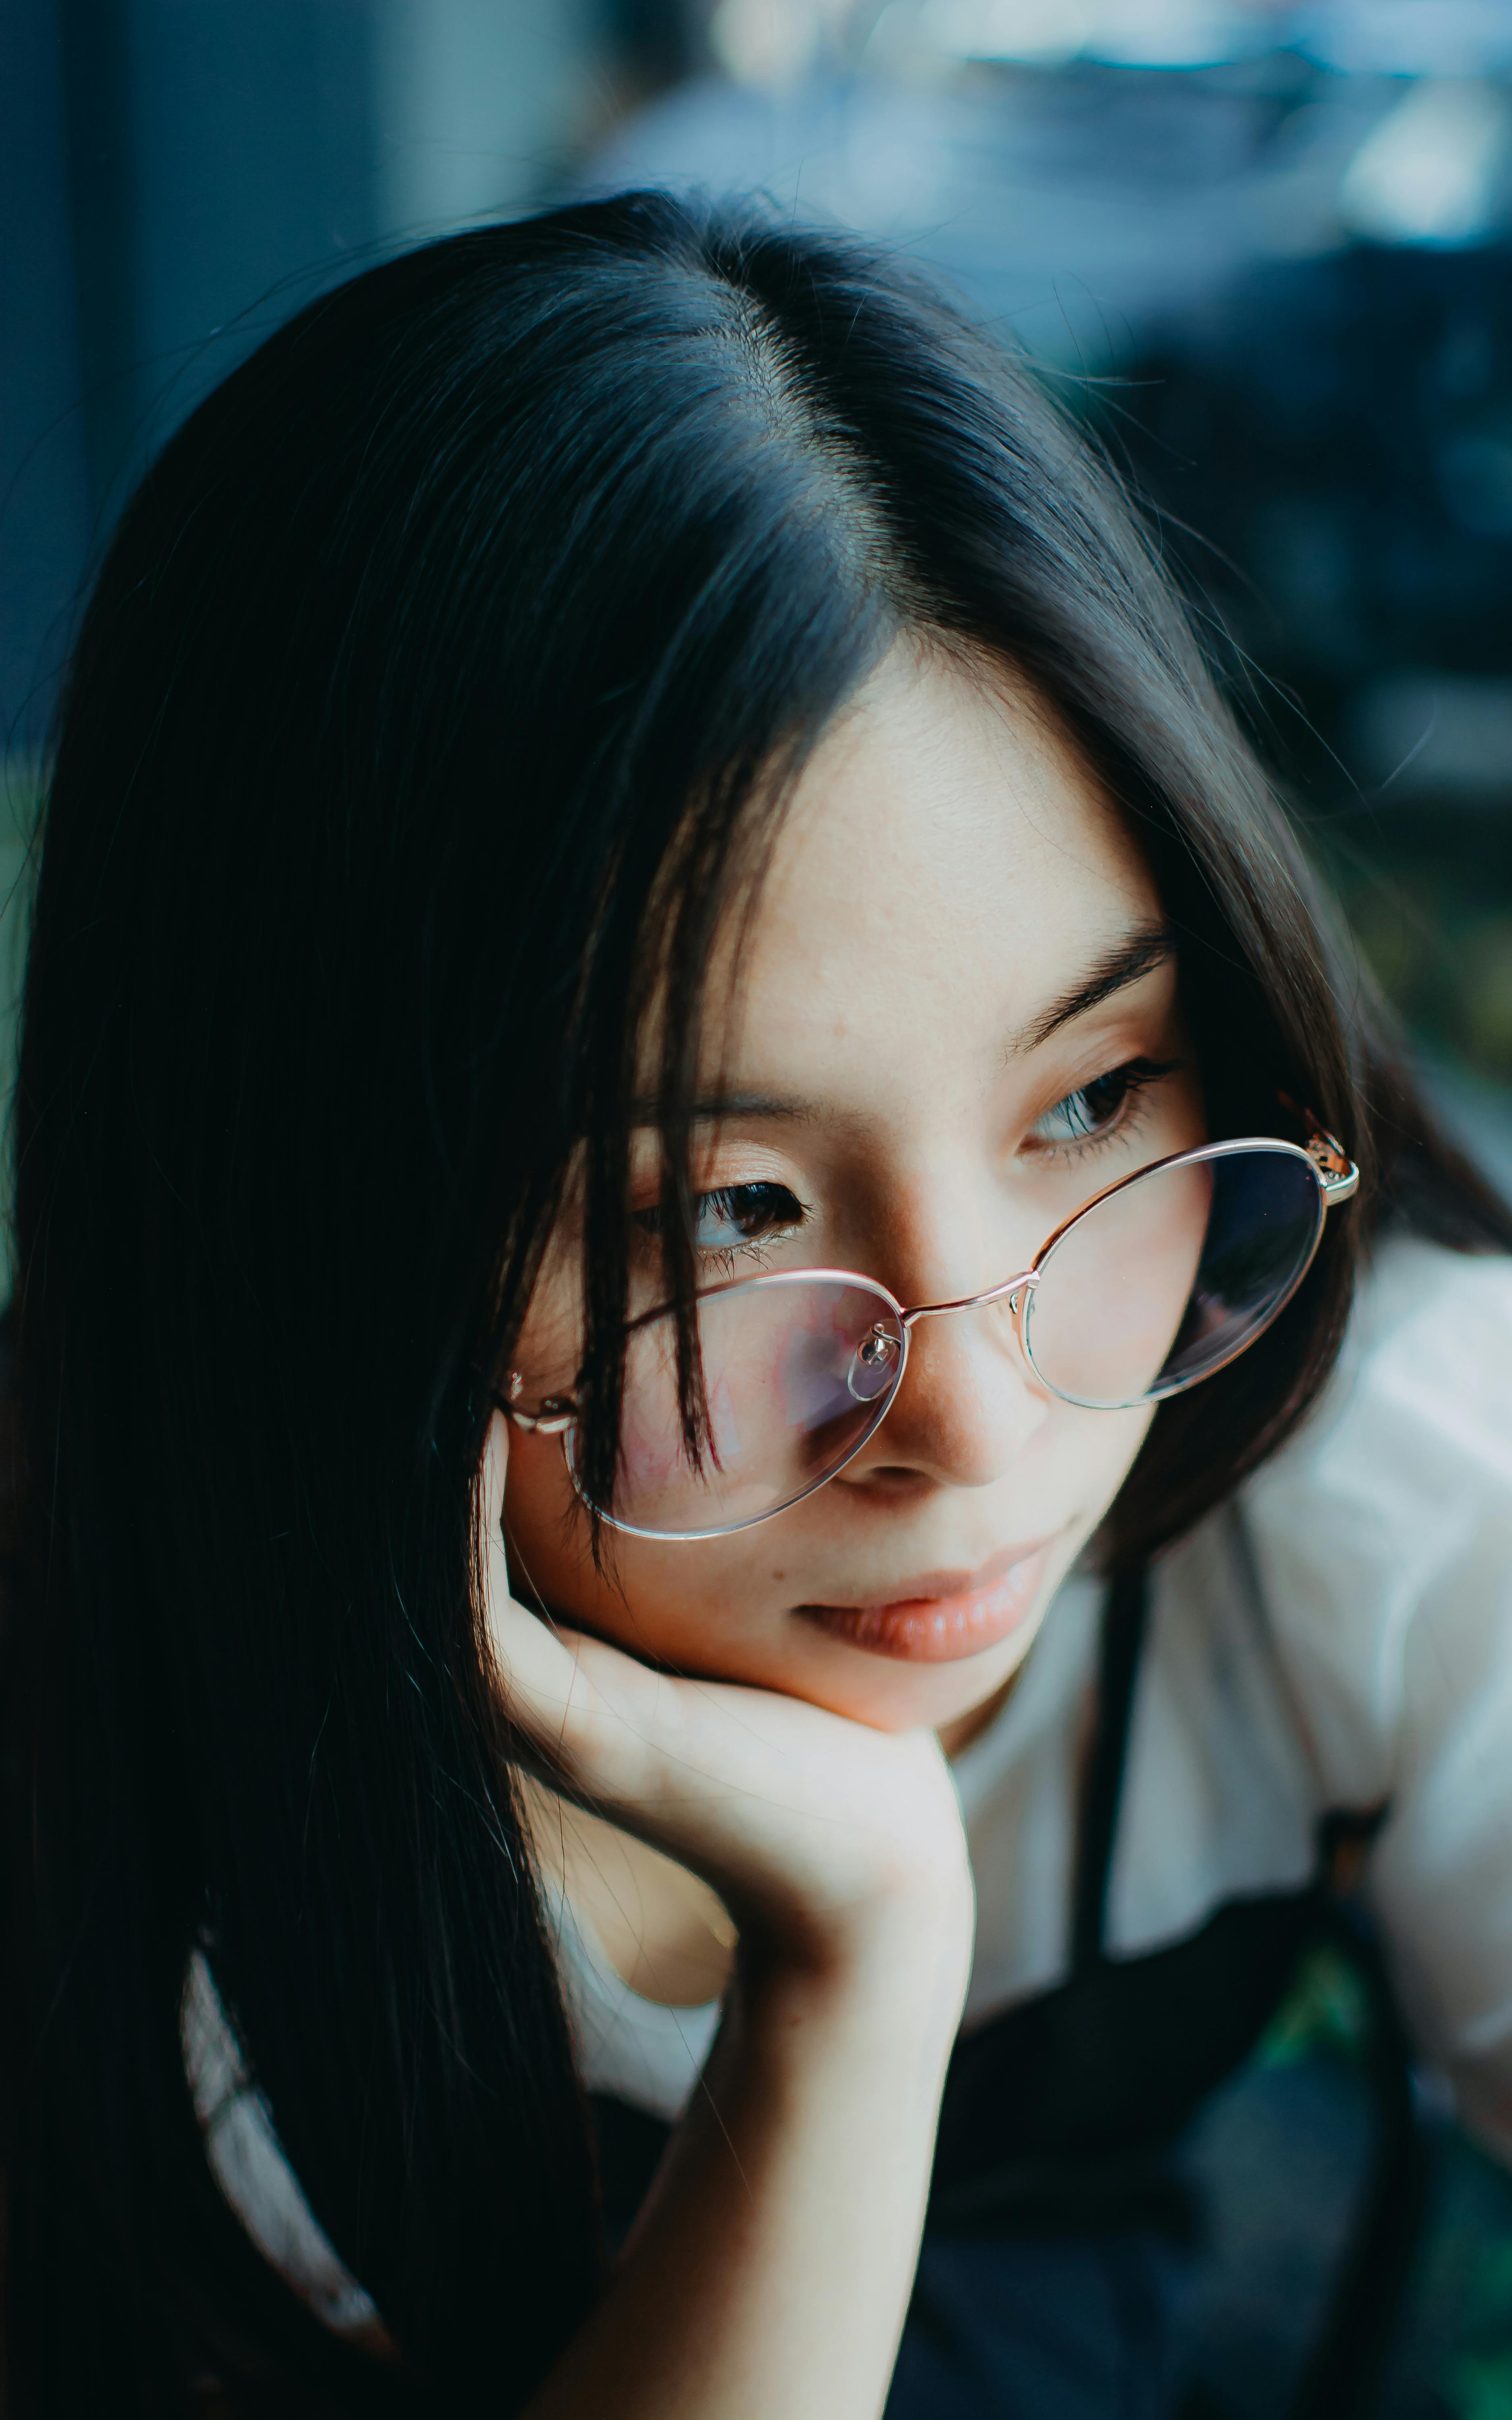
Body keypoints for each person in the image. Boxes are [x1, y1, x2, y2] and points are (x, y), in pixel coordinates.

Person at [4, 189, 1511, 2420]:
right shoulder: (121, 1805)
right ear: (307, 1231)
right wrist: (857, 1965)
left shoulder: (1387, 1473)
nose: (978, 1420)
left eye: (1092, 1094)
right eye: (722, 1212)